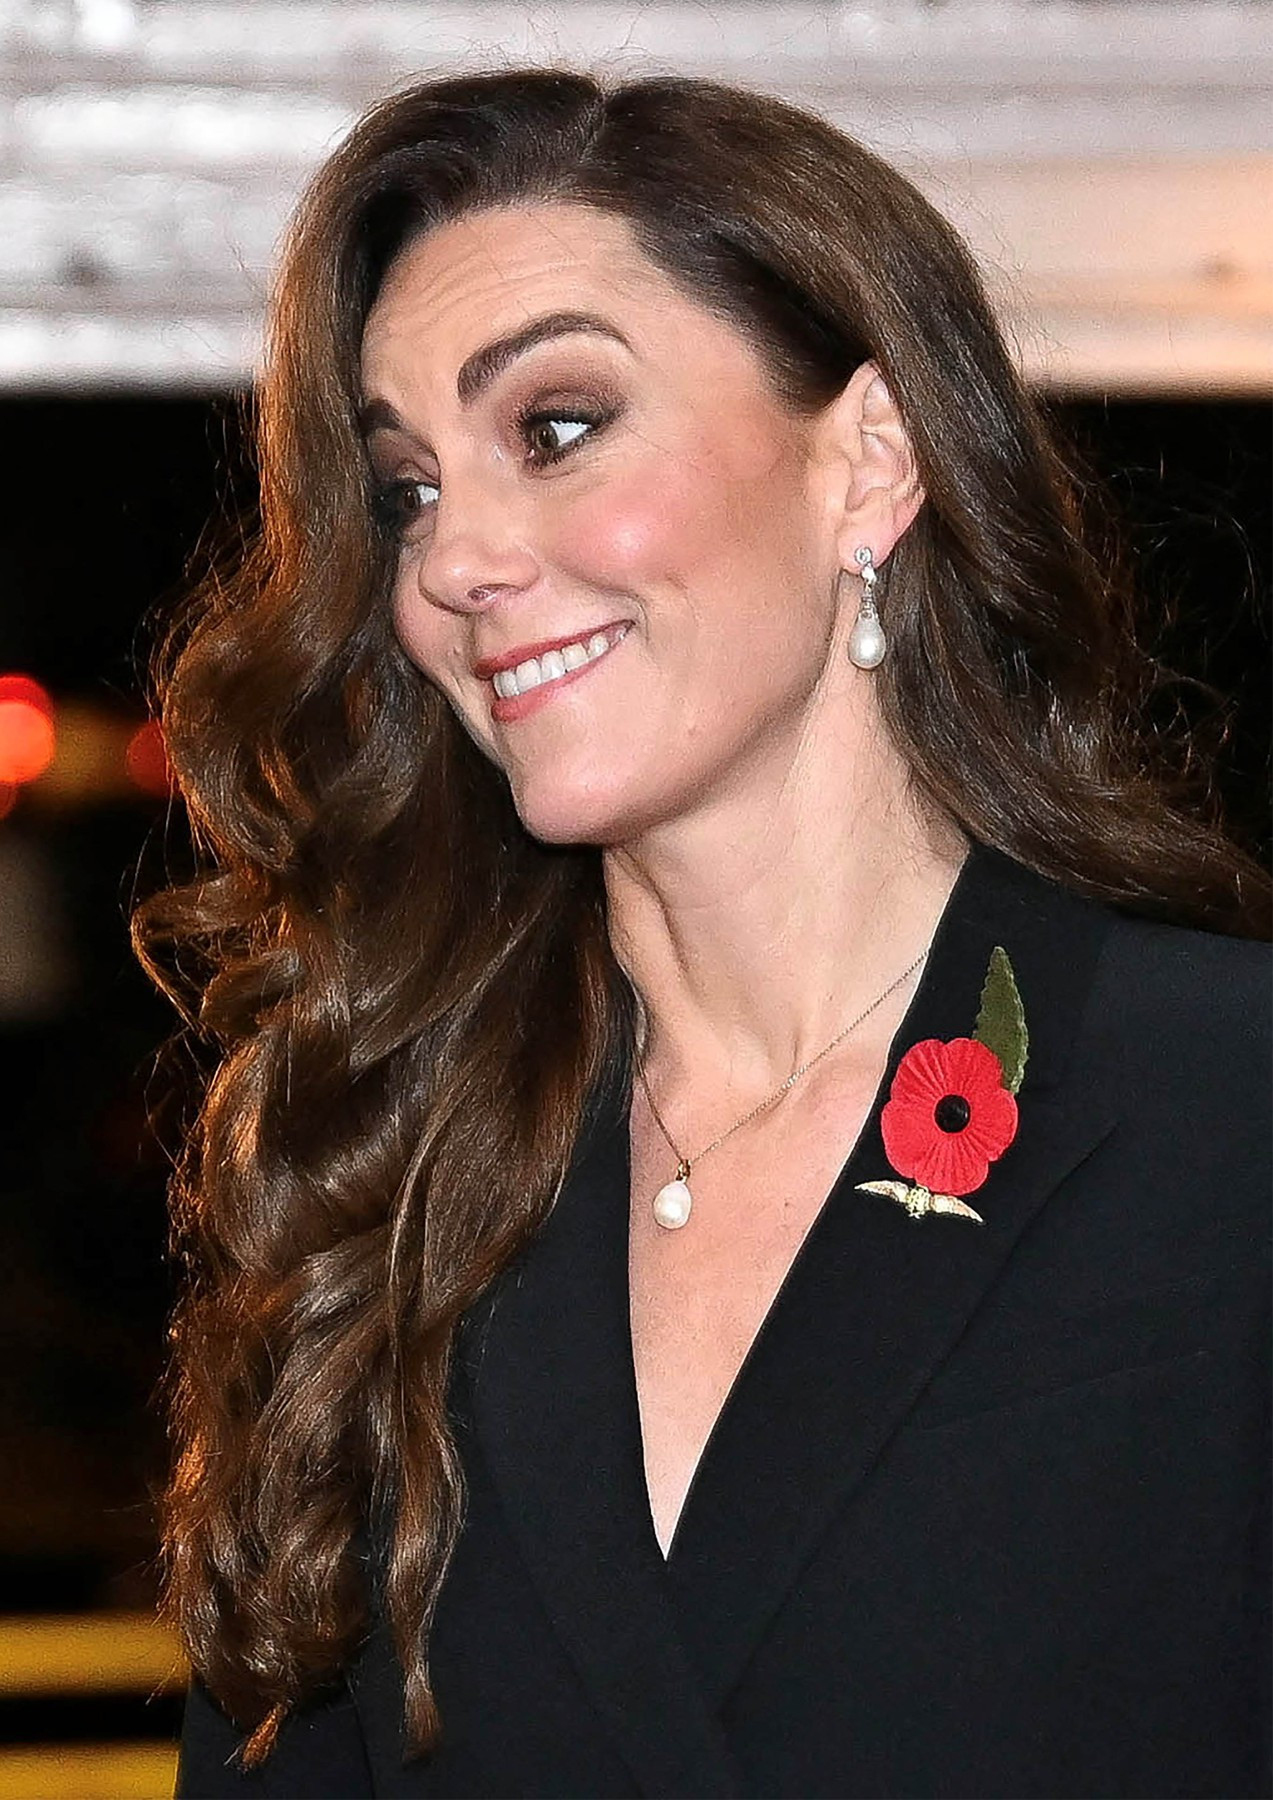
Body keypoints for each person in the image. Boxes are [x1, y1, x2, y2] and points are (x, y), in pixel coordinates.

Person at [133, 69, 1271, 1800]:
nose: (454, 562)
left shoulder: (1225, 1108)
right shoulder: (389, 1187)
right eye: (406, 491)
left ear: (867, 461)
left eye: (556, 428)